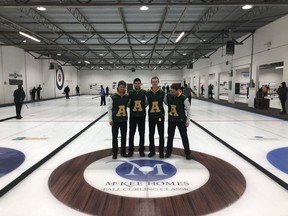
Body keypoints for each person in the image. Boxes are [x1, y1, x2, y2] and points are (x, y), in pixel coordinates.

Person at [164, 83, 192, 160]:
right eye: (170, 91)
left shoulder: (184, 98)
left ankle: (187, 153)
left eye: (173, 91)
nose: (171, 93)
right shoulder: (168, 96)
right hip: (171, 120)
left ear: (177, 91)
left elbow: (188, 110)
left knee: (184, 137)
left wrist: (188, 120)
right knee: (170, 137)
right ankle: (168, 152)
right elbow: (166, 103)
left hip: (181, 120)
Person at [108, 80, 129, 159]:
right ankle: (115, 152)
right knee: (115, 137)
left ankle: (123, 152)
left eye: (123, 87)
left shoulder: (127, 97)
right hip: (115, 120)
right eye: (121, 87)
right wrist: (110, 119)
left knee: (124, 137)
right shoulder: (112, 97)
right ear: (118, 87)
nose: (122, 88)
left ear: (125, 88)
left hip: (124, 120)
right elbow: (109, 109)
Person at [146, 76, 165, 158]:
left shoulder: (162, 93)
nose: (154, 83)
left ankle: (161, 152)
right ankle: (152, 151)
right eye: (153, 81)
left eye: (156, 81)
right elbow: (145, 103)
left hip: (160, 116)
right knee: (151, 134)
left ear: (158, 82)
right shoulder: (148, 93)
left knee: (161, 134)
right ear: (151, 82)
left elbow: (167, 102)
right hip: (151, 116)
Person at [128, 78, 147, 157]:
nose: (137, 84)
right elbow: (128, 103)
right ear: (133, 84)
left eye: (138, 83)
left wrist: (141, 108)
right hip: (133, 116)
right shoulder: (130, 93)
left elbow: (146, 103)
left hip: (141, 116)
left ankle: (141, 150)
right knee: (131, 133)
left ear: (140, 84)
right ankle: (130, 150)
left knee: (141, 133)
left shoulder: (144, 92)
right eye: (135, 83)